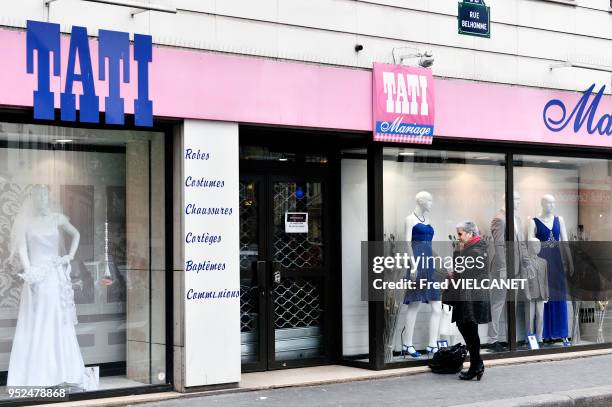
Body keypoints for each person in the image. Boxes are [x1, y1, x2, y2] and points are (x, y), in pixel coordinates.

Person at [451, 220, 491, 381]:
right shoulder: (476, 247)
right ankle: (477, 364)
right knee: (469, 328)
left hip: (471, 295)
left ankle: (477, 364)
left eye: (460, 234)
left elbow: (461, 271)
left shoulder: (474, 251)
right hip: (471, 293)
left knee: (467, 327)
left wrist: (457, 253)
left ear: (470, 233)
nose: (458, 237)